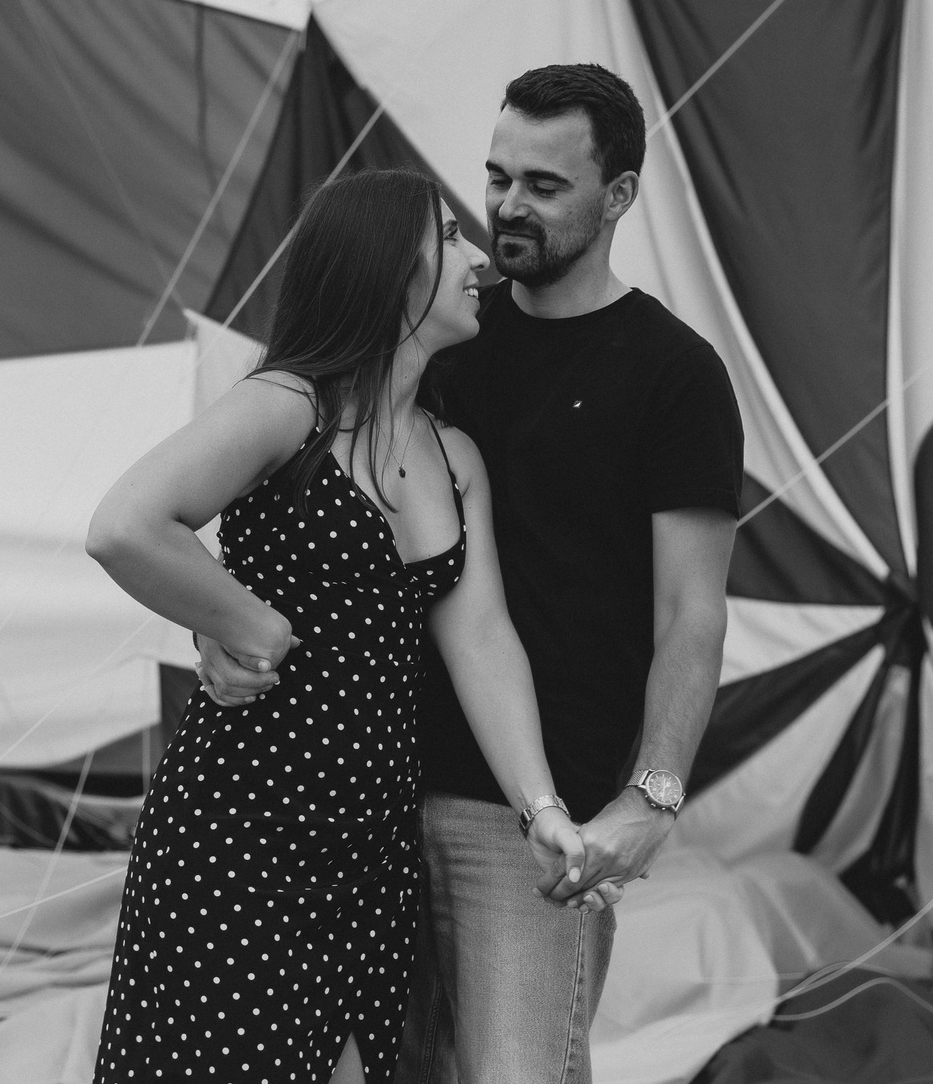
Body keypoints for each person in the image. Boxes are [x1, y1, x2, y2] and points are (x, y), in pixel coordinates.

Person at [202, 65, 743, 1084]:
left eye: (543, 184)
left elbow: (693, 613)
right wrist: (217, 618)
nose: (504, 207)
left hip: (528, 819)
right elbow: (281, 479)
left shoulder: (675, 375)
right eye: (495, 176)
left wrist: (652, 796)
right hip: (355, 798)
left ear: (617, 196)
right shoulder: (441, 330)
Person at [85, 168, 594, 1084]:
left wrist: (542, 807)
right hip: (244, 830)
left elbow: (481, 642)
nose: (480, 259)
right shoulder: (290, 404)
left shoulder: (454, 453)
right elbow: (126, 525)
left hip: (369, 846)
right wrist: (247, 623)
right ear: (391, 263)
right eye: (451, 235)